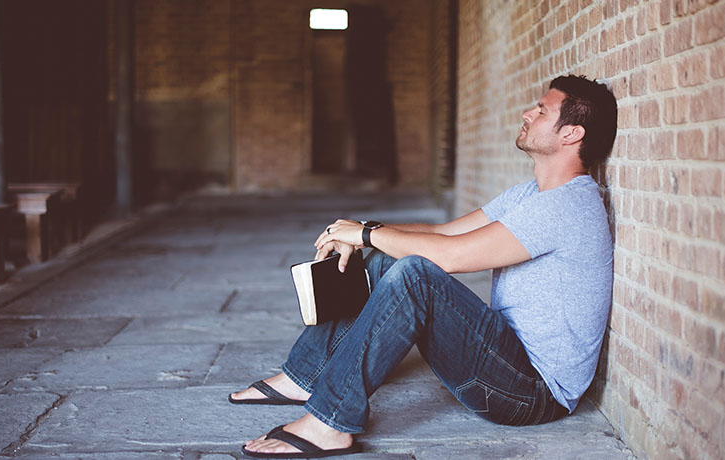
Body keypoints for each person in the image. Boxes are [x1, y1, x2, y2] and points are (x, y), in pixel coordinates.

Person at [229, 74, 618, 459]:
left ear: (571, 134)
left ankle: (330, 421)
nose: (526, 112)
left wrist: (364, 234)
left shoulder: (567, 206)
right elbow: (440, 232)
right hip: (506, 357)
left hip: (531, 393)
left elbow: (450, 257)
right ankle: (304, 377)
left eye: (541, 109)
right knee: (388, 257)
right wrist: (363, 232)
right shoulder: (530, 194)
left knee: (415, 275)